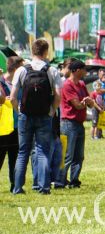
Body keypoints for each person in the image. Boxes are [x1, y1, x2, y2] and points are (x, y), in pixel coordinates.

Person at [9, 39, 62, 195]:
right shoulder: (51, 70)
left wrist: (19, 111)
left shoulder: (21, 70)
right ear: (45, 52)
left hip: (25, 116)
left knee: (23, 152)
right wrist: (52, 111)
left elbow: (12, 97)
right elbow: (58, 96)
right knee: (42, 151)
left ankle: (17, 188)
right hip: (44, 115)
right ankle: (44, 187)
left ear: (32, 51)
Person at [59, 60, 96, 189]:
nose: (86, 72)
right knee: (67, 155)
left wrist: (88, 101)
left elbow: (89, 100)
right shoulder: (67, 85)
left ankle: (74, 180)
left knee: (79, 156)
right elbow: (78, 105)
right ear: (77, 70)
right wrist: (87, 102)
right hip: (68, 124)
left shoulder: (81, 84)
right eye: (84, 69)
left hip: (79, 124)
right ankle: (60, 180)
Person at [0, 56, 23, 193]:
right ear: (15, 68)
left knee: (15, 158)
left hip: (16, 126)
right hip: (2, 127)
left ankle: (15, 186)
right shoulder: (1, 82)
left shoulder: (19, 83)